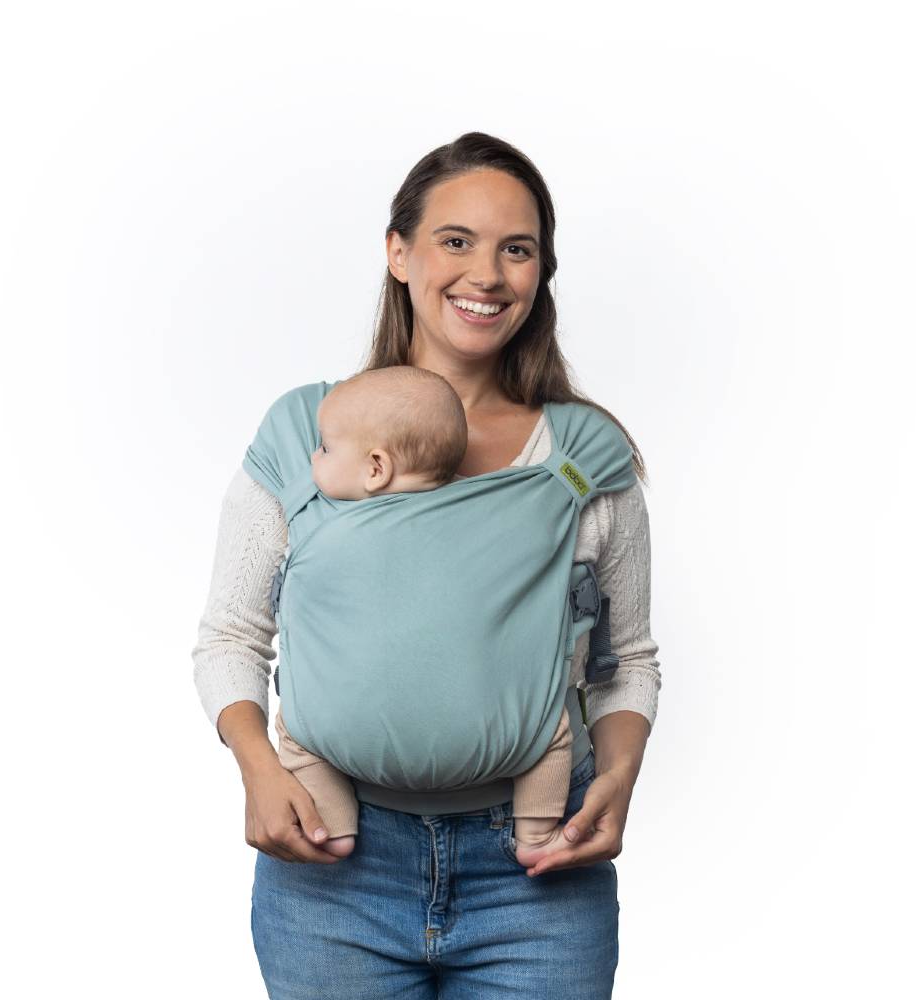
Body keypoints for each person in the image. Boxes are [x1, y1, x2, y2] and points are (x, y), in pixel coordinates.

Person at [193, 131, 661, 999]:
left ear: (541, 273)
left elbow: (624, 660)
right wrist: (258, 766)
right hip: (333, 866)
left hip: (537, 867)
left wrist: (620, 779)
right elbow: (231, 634)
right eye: (456, 241)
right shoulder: (310, 436)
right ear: (398, 253)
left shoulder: (581, 459)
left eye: (516, 249)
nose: (487, 274)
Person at [270, 364, 579, 867]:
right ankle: (537, 834)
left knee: (297, 732)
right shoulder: (503, 513)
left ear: (376, 468)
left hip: (334, 734)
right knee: (550, 733)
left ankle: (331, 827)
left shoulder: (322, 523)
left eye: (324, 448)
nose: (312, 457)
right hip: (508, 740)